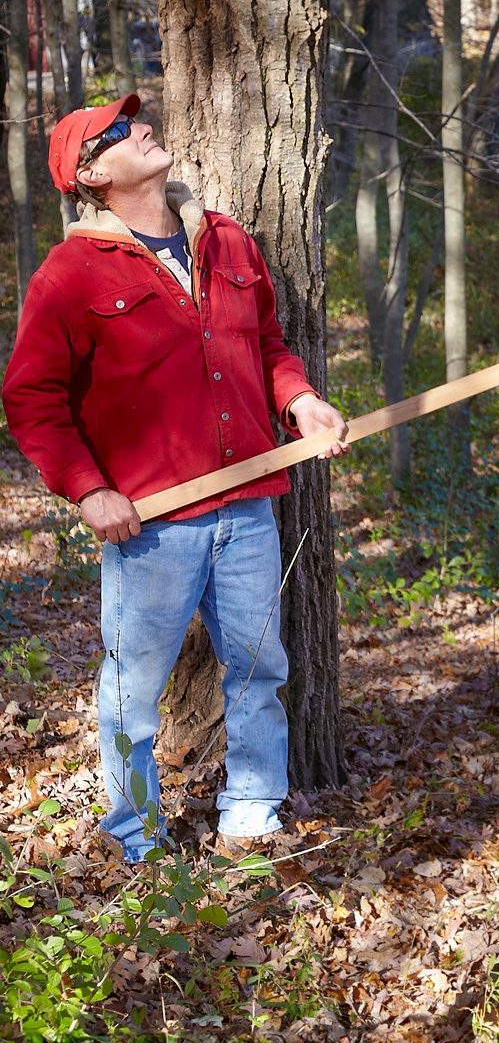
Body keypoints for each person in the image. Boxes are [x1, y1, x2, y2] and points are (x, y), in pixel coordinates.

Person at [2, 94, 349, 862]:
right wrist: (89, 489)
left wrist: (302, 401)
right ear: (91, 174)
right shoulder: (70, 273)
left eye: (136, 118)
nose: (142, 128)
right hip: (154, 523)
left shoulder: (226, 240)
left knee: (262, 670)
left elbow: (265, 344)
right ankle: (138, 835)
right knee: (133, 694)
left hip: (251, 505)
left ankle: (251, 819)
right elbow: (30, 396)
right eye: (118, 132)